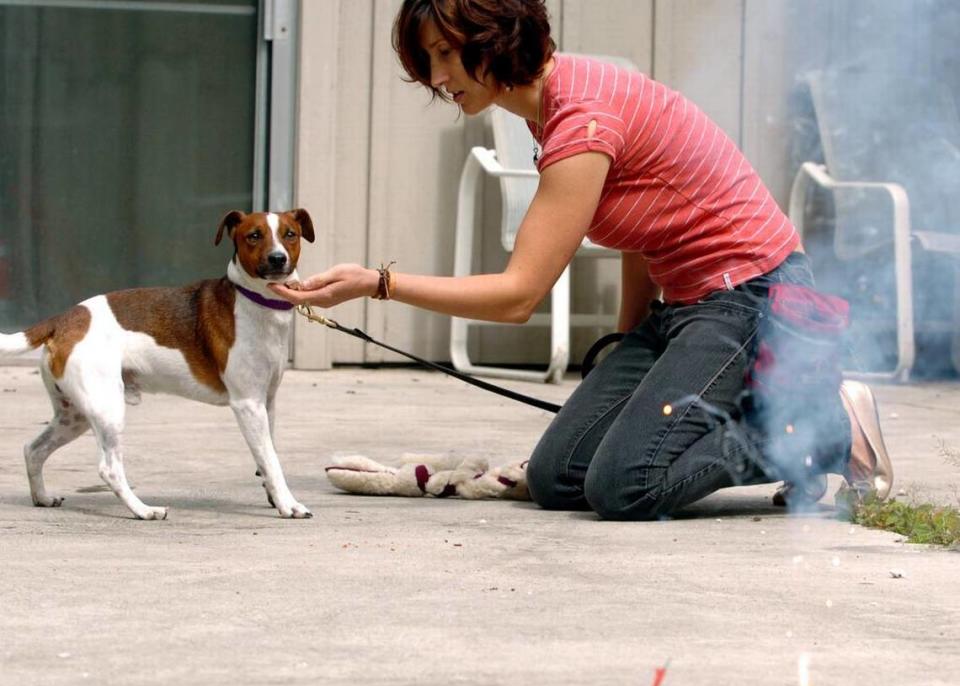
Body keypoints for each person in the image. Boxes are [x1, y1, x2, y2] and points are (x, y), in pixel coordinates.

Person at [269, 0, 893, 520]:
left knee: (625, 485)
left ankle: (815, 429)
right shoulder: (559, 100)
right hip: (687, 303)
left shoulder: (581, 123)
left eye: (445, 53)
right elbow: (645, 229)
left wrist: (377, 283)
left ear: (494, 40)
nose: (436, 76)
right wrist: (627, 342)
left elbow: (518, 296)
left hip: (751, 298)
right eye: (427, 58)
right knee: (558, 476)